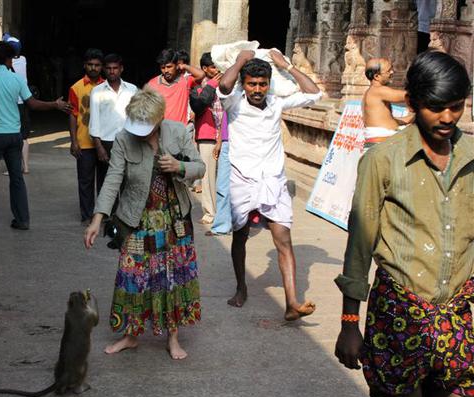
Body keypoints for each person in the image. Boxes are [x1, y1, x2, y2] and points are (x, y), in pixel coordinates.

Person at [335, 51, 473, 397]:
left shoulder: (471, 159)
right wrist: (349, 323)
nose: (447, 118)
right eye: (436, 108)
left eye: (457, 108)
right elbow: (359, 242)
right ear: (412, 104)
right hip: (401, 309)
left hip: (455, 310)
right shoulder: (383, 160)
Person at [83, 87, 205, 360]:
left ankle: (173, 338)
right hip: (136, 220)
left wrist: (179, 167)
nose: (141, 133)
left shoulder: (178, 132)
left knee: (172, 278)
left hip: (175, 222)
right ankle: (131, 336)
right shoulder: (124, 139)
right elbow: (113, 180)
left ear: (160, 118)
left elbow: (200, 167)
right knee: (133, 277)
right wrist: (97, 219)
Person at [217, 49, 320, 320]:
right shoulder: (234, 103)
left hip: (273, 181)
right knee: (239, 238)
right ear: (244, 83)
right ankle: (241, 287)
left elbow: (314, 93)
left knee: (283, 239)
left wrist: (287, 66)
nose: (257, 89)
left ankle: (291, 302)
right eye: (252, 83)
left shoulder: (276, 103)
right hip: (243, 181)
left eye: (262, 84)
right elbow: (224, 85)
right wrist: (240, 60)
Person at [0, 41, 71, 232]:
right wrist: (54, 104)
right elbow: (32, 104)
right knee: (16, 178)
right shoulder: (16, 80)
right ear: (8, 59)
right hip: (14, 136)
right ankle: (22, 220)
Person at [88, 53, 138, 232]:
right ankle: (106, 218)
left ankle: (124, 218)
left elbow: (138, 117)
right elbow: (94, 121)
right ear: (104, 69)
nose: (111, 71)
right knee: (106, 182)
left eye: (115, 68)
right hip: (107, 142)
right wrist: (99, 146)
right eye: (108, 68)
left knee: (127, 180)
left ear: (121, 69)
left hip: (129, 141)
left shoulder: (132, 90)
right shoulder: (97, 91)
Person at [189, 52, 229, 228]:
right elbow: (199, 106)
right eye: (213, 66)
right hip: (206, 135)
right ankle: (210, 212)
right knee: (208, 176)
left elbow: (226, 113)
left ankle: (222, 212)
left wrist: (221, 138)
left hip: (224, 136)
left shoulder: (226, 86)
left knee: (224, 177)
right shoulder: (198, 88)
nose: (217, 69)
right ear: (205, 69)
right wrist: (212, 85)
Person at [68, 49, 104, 224]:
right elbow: (73, 115)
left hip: (105, 143)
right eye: (90, 64)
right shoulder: (76, 88)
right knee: (85, 182)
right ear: (85, 65)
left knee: (105, 181)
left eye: (97, 65)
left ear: (102, 67)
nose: (93, 68)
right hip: (84, 142)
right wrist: (74, 140)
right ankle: (87, 215)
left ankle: (103, 214)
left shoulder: (108, 86)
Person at [362, 58, 414, 148]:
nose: (392, 72)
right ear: (376, 76)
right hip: (381, 146)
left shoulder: (371, 92)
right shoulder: (378, 91)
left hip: (382, 144)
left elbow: (389, 121)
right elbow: (408, 96)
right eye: (388, 71)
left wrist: (412, 117)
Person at [147, 48, 204, 125]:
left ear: (177, 65)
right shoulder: (152, 84)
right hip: (160, 131)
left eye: (169, 66)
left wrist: (184, 66)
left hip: (180, 131)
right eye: (163, 68)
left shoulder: (185, 81)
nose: (166, 70)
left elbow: (201, 75)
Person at [3, 33, 31, 174]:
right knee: (24, 136)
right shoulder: (23, 60)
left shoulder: (6, 64)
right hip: (24, 101)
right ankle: (25, 167)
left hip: (12, 103)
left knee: (12, 136)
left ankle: (13, 168)